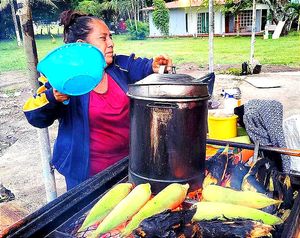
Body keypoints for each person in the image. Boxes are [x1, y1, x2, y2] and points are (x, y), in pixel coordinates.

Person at [23, 10, 172, 190]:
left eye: (110, 37)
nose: (111, 43)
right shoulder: (64, 77)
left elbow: (142, 67)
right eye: (103, 38)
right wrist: (53, 97)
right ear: (82, 45)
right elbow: (34, 115)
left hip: (128, 166)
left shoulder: (120, 66)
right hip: (84, 176)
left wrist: (155, 65)